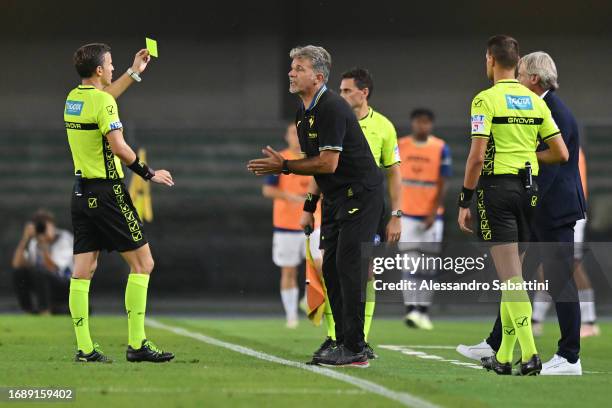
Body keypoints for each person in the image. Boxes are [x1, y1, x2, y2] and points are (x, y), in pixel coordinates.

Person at [248, 45, 384, 368]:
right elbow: (318, 169)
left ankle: (355, 348)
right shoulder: (303, 112)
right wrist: (309, 205)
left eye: (299, 67)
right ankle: (344, 341)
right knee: (332, 270)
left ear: (318, 76)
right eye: (292, 66)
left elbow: (327, 163)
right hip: (337, 198)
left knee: (349, 269)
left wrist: (285, 166)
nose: (291, 72)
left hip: (361, 196)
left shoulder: (332, 108)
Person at [457, 36, 568, 376]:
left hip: (497, 191)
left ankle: (530, 353)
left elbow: (477, 157)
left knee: (510, 280)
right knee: (515, 276)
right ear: (518, 63)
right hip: (528, 191)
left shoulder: (485, 99)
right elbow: (561, 153)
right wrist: (527, 157)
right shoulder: (536, 101)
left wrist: (465, 198)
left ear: (490, 59)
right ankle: (504, 357)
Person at [65, 43, 175, 363]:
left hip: (80, 194)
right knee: (144, 264)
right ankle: (137, 343)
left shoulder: (73, 99)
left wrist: (133, 72)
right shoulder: (104, 103)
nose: (113, 68)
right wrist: (148, 173)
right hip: (108, 192)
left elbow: (104, 97)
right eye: (111, 65)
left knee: (83, 271)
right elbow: (120, 148)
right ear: (99, 70)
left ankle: (85, 348)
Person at [339, 67, 402, 354]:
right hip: (338, 203)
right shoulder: (336, 123)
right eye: (340, 91)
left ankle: (359, 338)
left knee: (367, 271)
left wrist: (396, 215)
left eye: (346, 90)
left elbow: (394, 173)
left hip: (369, 207)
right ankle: (336, 335)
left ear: (364, 93)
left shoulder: (385, 127)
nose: (341, 95)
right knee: (336, 268)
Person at [532, 148, 598, 339]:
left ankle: (589, 321)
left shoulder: (563, 146)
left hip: (570, 210)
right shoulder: (555, 143)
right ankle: (536, 320)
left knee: (573, 265)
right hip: (554, 209)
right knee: (546, 265)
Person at [397, 109, 451, 329]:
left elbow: (443, 181)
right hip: (406, 214)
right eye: (419, 122)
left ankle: (424, 311)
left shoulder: (440, 147)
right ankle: (411, 310)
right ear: (412, 123)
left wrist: (433, 210)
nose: (422, 126)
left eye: (426, 122)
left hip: (431, 216)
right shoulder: (400, 145)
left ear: (432, 124)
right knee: (409, 264)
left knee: (428, 267)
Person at [262, 123, 309, 328]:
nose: (298, 137)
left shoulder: (316, 159)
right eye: (293, 133)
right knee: (289, 272)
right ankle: (291, 315)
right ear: (287, 136)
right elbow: (268, 191)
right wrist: (289, 196)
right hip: (286, 225)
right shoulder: (279, 160)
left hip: (314, 223)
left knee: (321, 265)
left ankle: (309, 299)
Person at [11, 210, 73, 315]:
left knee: (40, 271)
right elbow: (17, 264)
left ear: (53, 225)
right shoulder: (35, 242)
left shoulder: (64, 238)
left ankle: (45, 311)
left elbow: (52, 268)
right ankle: (28, 310)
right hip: (43, 284)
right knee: (19, 273)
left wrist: (45, 243)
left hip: (66, 286)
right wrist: (25, 239)